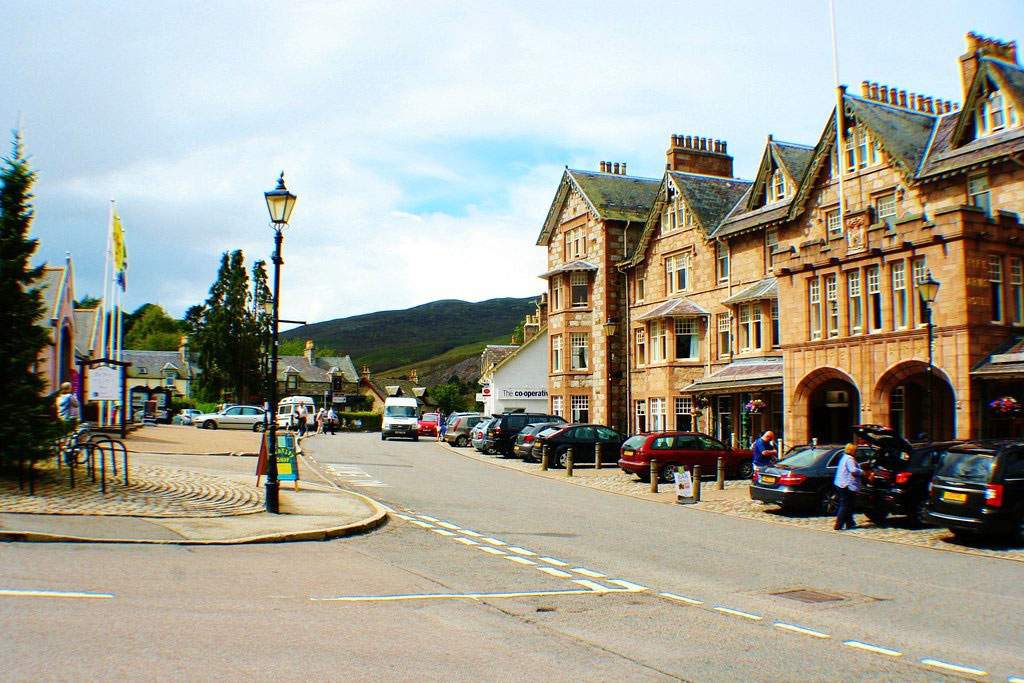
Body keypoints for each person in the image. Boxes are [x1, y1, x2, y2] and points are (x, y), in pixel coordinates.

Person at [833, 443, 862, 530]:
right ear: (852, 450)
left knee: (848, 505)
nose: (856, 452)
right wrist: (862, 472)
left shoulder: (844, 457)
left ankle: (850, 523)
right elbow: (853, 470)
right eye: (855, 450)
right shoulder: (849, 459)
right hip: (846, 485)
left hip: (840, 483)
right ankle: (838, 524)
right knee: (845, 505)